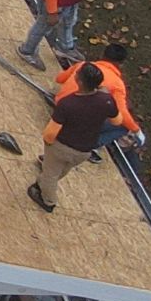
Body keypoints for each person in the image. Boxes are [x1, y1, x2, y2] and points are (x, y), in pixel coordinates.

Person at [30, 62, 119, 212]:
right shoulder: (107, 101)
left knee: (50, 175)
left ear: (80, 81)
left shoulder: (68, 103)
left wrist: (48, 143)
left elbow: (50, 133)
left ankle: (48, 201)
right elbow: (117, 120)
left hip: (62, 146)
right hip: (84, 151)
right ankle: (44, 182)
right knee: (63, 170)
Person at [52, 42, 142, 151]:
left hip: (61, 105)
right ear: (121, 64)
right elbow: (122, 113)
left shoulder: (84, 65)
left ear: (102, 55)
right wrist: (136, 130)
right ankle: (91, 144)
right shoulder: (117, 84)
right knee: (124, 125)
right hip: (75, 120)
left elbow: (59, 79)